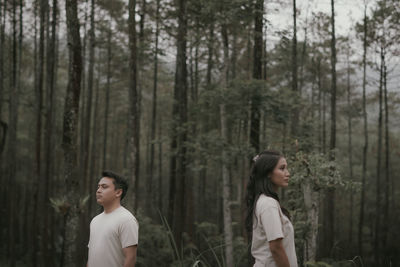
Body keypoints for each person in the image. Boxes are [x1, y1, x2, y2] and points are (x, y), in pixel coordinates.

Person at [246, 150, 298, 267]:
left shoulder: (266, 202)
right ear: (268, 173)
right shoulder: (268, 204)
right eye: (282, 168)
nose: (287, 173)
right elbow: (276, 247)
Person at [87, 171, 139, 267]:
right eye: (98, 186)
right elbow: (92, 257)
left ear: (118, 192)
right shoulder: (95, 220)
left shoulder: (126, 219)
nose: (98, 190)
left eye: (104, 187)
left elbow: (130, 258)